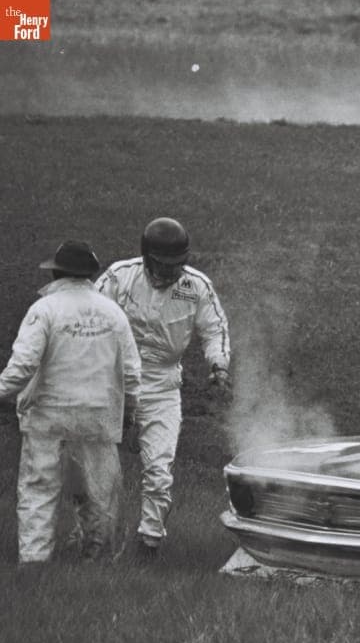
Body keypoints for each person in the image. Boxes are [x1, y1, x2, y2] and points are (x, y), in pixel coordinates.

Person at [95, 217, 231, 560]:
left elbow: (215, 329)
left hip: (163, 385)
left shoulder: (197, 287)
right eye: (163, 265)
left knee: (159, 469)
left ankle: (149, 544)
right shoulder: (119, 276)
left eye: (177, 266)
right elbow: (88, 312)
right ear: (147, 257)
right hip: (113, 381)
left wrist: (219, 366)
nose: (171, 273)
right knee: (98, 466)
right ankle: (93, 538)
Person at [0, 241, 141, 564]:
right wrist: (130, 410)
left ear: (55, 271)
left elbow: (22, 366)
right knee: (99, 490)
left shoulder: (45, 309)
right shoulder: (113, 312)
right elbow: (132, 371)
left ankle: (34, 561)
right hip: (99, 415)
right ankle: (98, 558)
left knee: (40, 488)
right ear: (91, 274)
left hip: (49, 414)